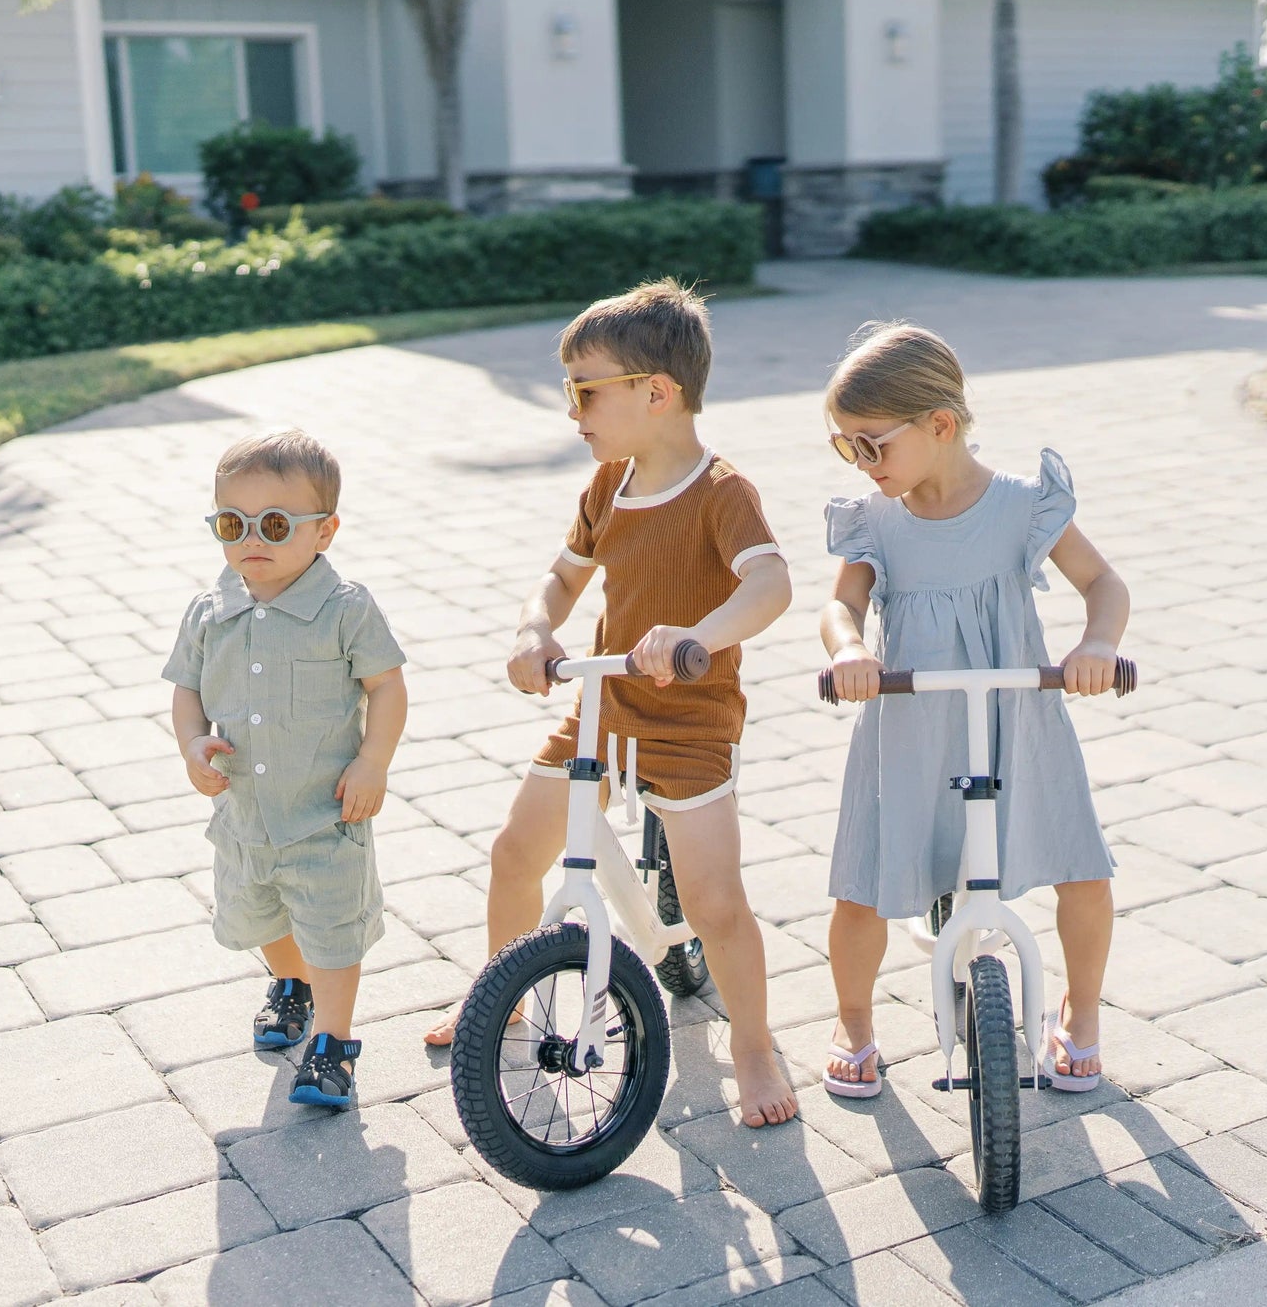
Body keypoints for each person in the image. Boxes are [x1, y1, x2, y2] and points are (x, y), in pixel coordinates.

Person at [425, 279, 799, 1128]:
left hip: (688, 718)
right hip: (602, 706)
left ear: (655, 393)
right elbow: (561, 577)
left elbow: (770, 583)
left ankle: (752, 1043)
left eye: (585, 392)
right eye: (571, 393)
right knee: (515, 852)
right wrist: (534, 630)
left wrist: (695, 633)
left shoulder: (719, 492)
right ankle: (507, 1000)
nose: (573, 412)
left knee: (715, 905)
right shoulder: (608, 485)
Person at [818, 323, 1128, 1096]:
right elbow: (840, 608)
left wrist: (1095, 644)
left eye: (871, 445)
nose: (861, 464)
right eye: (845, 447)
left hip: (1014, 723)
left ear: (940, 426)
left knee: (1080, 866)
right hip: (908, 727)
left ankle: (1080, 1012)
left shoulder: (1021, 506)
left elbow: (1104, 584)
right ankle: (853, 1021)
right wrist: (849, 651)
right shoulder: (876, 520)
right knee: (861, 882)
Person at [164, 429, 408, 1109]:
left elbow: (386, 687)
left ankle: (332, 1045)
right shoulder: (210, 612)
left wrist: (372, 761)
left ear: (324, 530)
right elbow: (185, 688)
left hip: (324, 814)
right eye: (230, 523)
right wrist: (191, 743)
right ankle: (289, 984)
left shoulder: (344, 609)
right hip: (244, 817)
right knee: (259, 917)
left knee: (330, 930)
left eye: (273, 523)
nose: (251, 538)